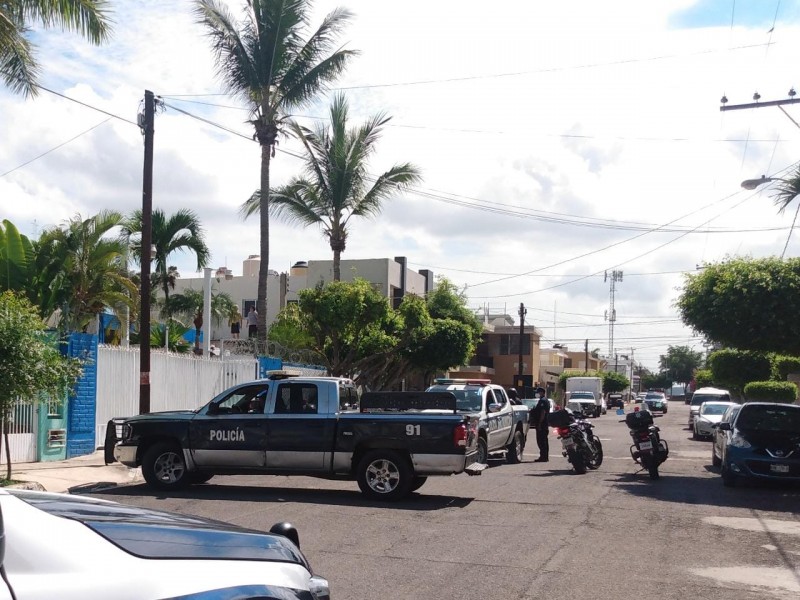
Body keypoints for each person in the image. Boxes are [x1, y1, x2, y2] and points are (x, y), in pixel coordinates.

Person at [531, 387, 550, 462]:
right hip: (544, 423)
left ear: (542, 392)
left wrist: (539, 423)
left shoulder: (543, 401)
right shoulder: (544, 400)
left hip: (542, 424)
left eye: (538, 392)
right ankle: (544, 456)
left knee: (542, 441)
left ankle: (544, 457)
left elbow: (543, 412)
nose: (537, 394)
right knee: (544, 440)